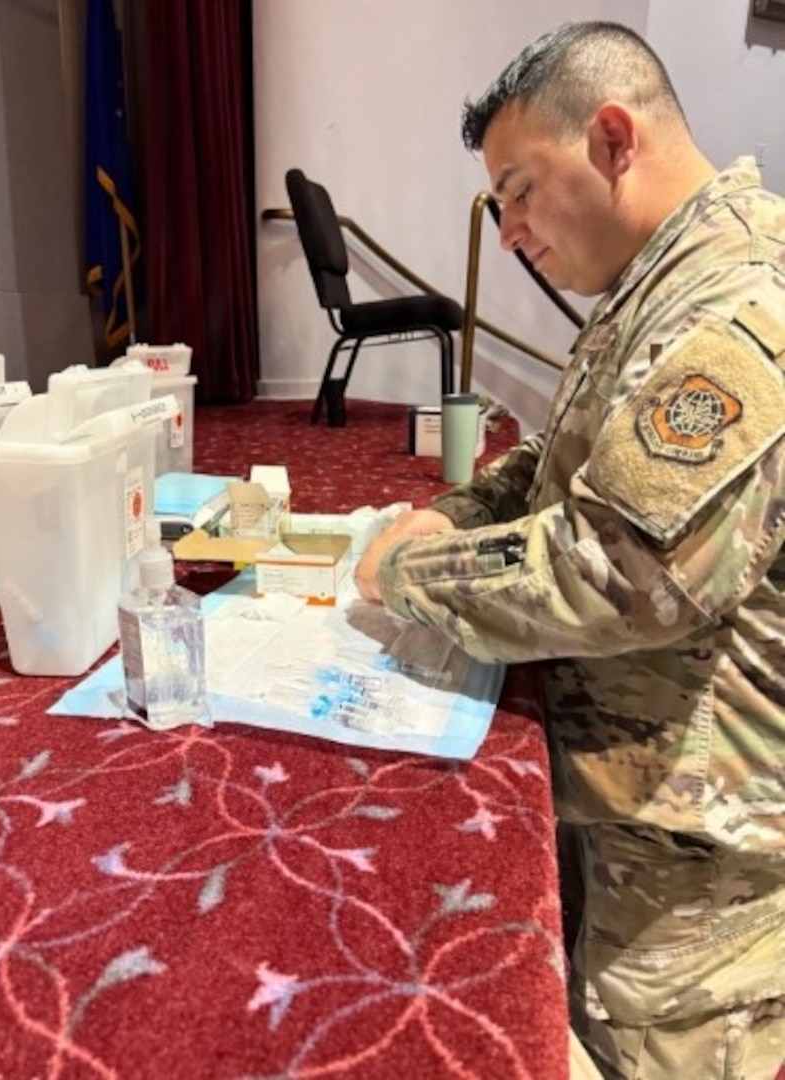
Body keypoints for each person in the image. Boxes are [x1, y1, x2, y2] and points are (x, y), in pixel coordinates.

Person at [354, 20, 785, 1080]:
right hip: (629, 794)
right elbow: (567, 452)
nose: (505, 233)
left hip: (690, 876)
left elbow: (620, 574)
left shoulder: (734, 304)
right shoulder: (653, 280)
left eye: (515, 191)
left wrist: (406, 570)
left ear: (608, 137)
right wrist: (461, 514)